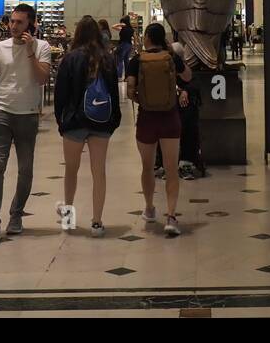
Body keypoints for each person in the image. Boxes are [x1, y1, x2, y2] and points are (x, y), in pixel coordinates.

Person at [0, 3, 52, 241]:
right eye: (12, 21)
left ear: (31, 24)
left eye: (19, 22)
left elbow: (42, 78)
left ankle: (16, 214)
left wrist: (31, 49)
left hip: (28, 114)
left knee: (25, 169)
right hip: (2, 113)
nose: (13, 26)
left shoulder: (42, 47)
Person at [52, 15, 121, 236]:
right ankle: (97, 222)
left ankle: (69, 219)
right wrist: (114, 120)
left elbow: (60, 93)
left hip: (74, 121)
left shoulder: (70, 58)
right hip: (101, 121)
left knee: (71, 170)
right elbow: (113, 92)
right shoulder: (108, 59)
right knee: (98, 172)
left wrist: (60, 119)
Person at [126, 22, 192, 237]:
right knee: (171, 169)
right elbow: (188, 77)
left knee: (147, 167)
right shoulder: (171, 58)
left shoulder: (136, 60)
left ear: (146, 37)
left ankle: (149, 207)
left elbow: (129, 90)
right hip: (170, 117)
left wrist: (140, 99)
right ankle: (171, 216)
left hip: (147, 119)